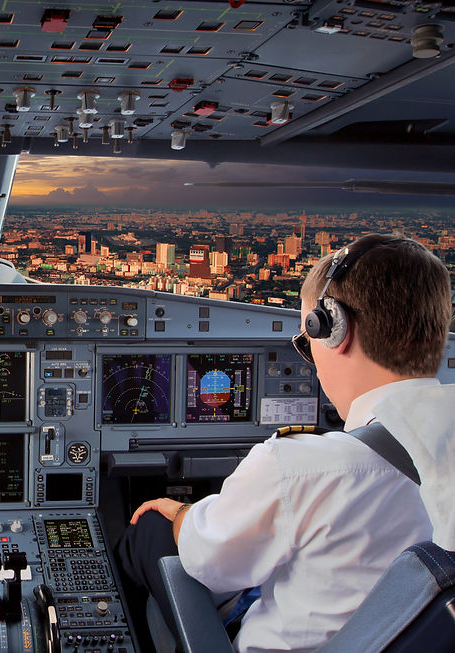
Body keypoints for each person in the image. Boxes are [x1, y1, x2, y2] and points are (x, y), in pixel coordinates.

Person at [116, 234, 450, 652]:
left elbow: (209, 561)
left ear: (333, 332)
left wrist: (182, 513)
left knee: (150, 528)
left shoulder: (301, 466)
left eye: (305, 340)